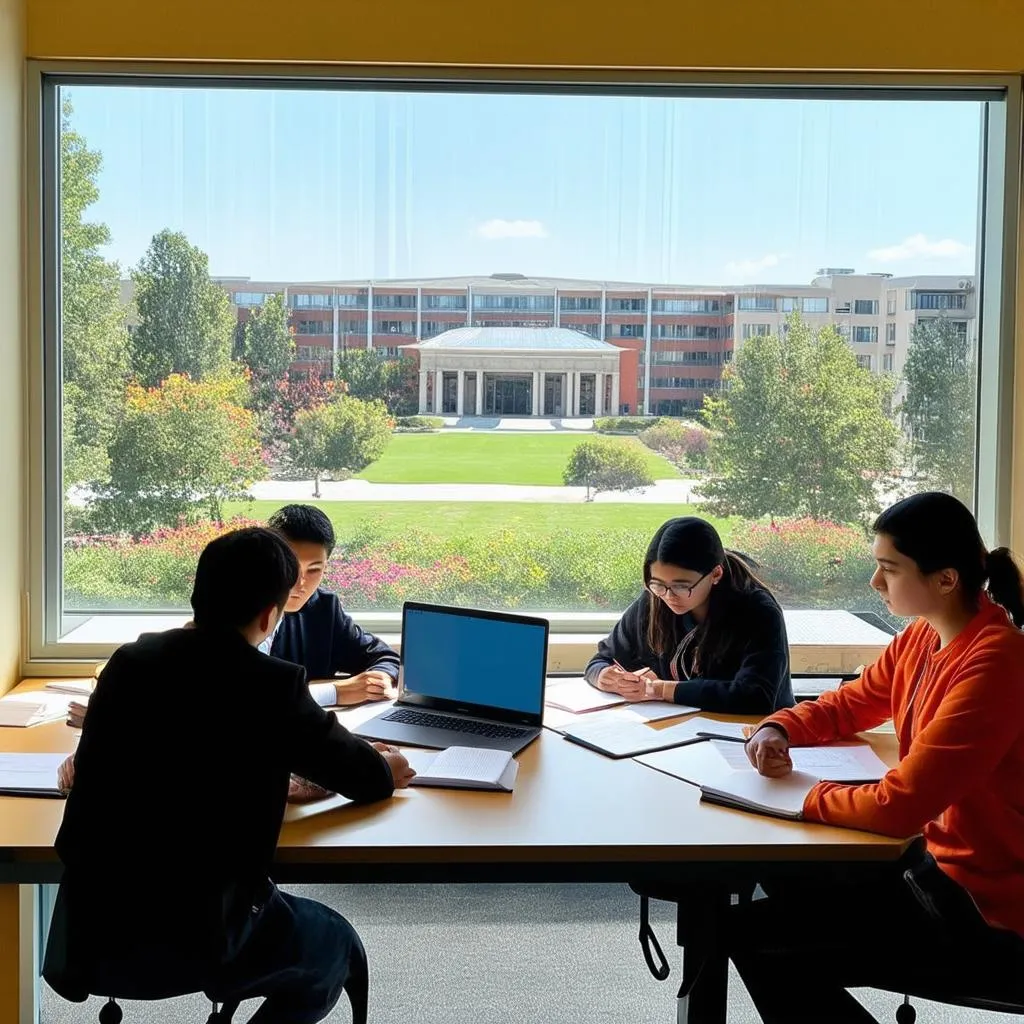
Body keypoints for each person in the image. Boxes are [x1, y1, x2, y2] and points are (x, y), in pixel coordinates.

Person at [44, 527, 415, 1024]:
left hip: (96, 929)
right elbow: (361, 776)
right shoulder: (272, 686)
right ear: (269, 616)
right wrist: (387, 766)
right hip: (204, 934)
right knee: (334, 945)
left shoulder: (128, 663)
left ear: (198, 596)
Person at [737, 492, 1024, 1023]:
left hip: (982, 906)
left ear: (945, 579)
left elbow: (900, 806)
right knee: (772, 881)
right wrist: (780, 724)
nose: (874, 583)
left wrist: (803, 797)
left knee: (755, 939)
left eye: (888, 569)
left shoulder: (996, 662)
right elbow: (851, 703)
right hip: (928, 863)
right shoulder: (921, 637)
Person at [66, 503, 399, 730]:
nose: (298, 584)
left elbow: (384, 656)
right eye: (289, 568)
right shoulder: (238, 622)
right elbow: (249, 700)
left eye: (314, 570)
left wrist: (379, 679)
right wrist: (336, 693)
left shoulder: (323, 610)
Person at [585, 516, 793, 713]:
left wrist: (660, 689)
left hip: (750, 737)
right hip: (678, 730)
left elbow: (756, 697)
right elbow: (603, 659)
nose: (668, 596)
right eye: (657, 584)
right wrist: (605, 677)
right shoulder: (655, 598)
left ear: (715, 574)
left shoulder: (758, 612)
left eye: (682, 586)